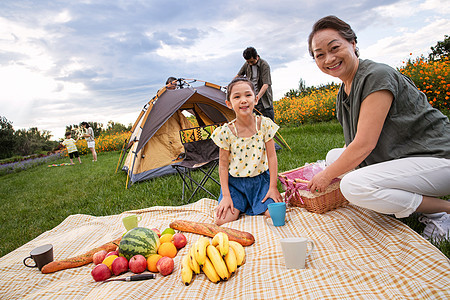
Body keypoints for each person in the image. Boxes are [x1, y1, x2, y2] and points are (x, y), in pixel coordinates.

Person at [306, 15, 450, 241]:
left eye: (335, 48)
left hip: (439, 158)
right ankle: (400, 200)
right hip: (407, 157)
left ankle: (441, 212)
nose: (329, 58)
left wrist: (325, 177)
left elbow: (364, 144)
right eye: (320, 55)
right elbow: (352, 141)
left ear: (352, 44)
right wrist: (328, 168)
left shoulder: (376, 76)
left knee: (353, 186)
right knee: (334, 157)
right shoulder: (344, 92)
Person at [211, 77, 283, 225]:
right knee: (221, 220)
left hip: (261, 182)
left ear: (256, 99)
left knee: (274, 213)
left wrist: (273, 187)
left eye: (248, 95)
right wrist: (226, 196)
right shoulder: (225, 132)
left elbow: (272, 157)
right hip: (235, 185)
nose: (243, 100)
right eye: (237, 97)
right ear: (229, 104)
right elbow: (223, 166)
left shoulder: (264, 125)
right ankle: (241, 203)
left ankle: (256, 203)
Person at [236, 47, 274, 121]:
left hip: (263, 101)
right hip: (251, 99)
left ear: (256, 57)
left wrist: (256, 98)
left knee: (269, 125)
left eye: (252, 62)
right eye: (248, 62)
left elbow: (266, 85)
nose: (250, 64)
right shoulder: (247, 64)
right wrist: (231, 85)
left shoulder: (264, 65)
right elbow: (239, 75)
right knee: (254, 124)